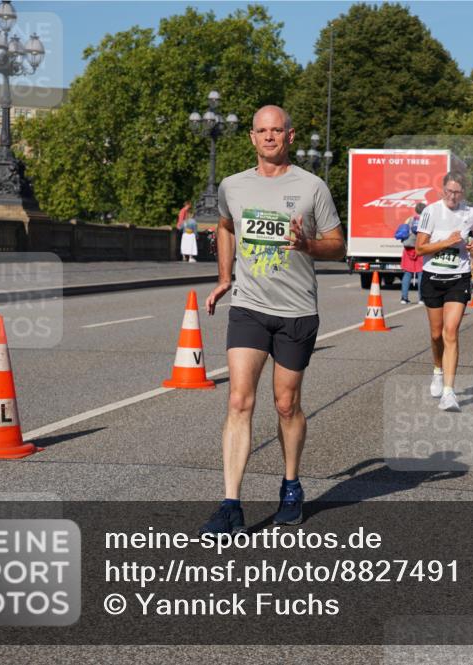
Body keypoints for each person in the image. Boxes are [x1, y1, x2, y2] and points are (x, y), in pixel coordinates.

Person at [201, 105, 346, 534]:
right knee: (238, 400)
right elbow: (225, 226)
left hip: (297, 310)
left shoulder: (312, 186)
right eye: (262, 131)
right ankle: (231, 503)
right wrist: (225, 277)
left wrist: (308, 245)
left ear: (290, 135)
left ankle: (291, 485)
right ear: (252, 137)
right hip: (248, 305)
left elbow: (338, 245)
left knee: (286, 404)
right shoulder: (233, 185)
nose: (269, 137)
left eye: (276, 130)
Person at [416, 171, 473, 411]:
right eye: (449, 191)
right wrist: (447, 242)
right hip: (433, 278)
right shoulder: (431, 211)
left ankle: (449, 392)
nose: (452, 196)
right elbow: (419, 248)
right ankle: (437, 370)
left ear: (463, 193)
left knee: (451, 331)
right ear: (442, 189)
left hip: (459, 277)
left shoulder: (470, 212)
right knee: (436, 335)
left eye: (457, 192)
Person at [399, 202, 425, 304]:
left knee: (407, 273)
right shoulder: (425, 220)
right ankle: (421, 298)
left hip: (408, 248)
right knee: (421, 274)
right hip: (420, 249)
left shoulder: (409, 219)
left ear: (416, 210)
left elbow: (403, 232)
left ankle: (404, 298)